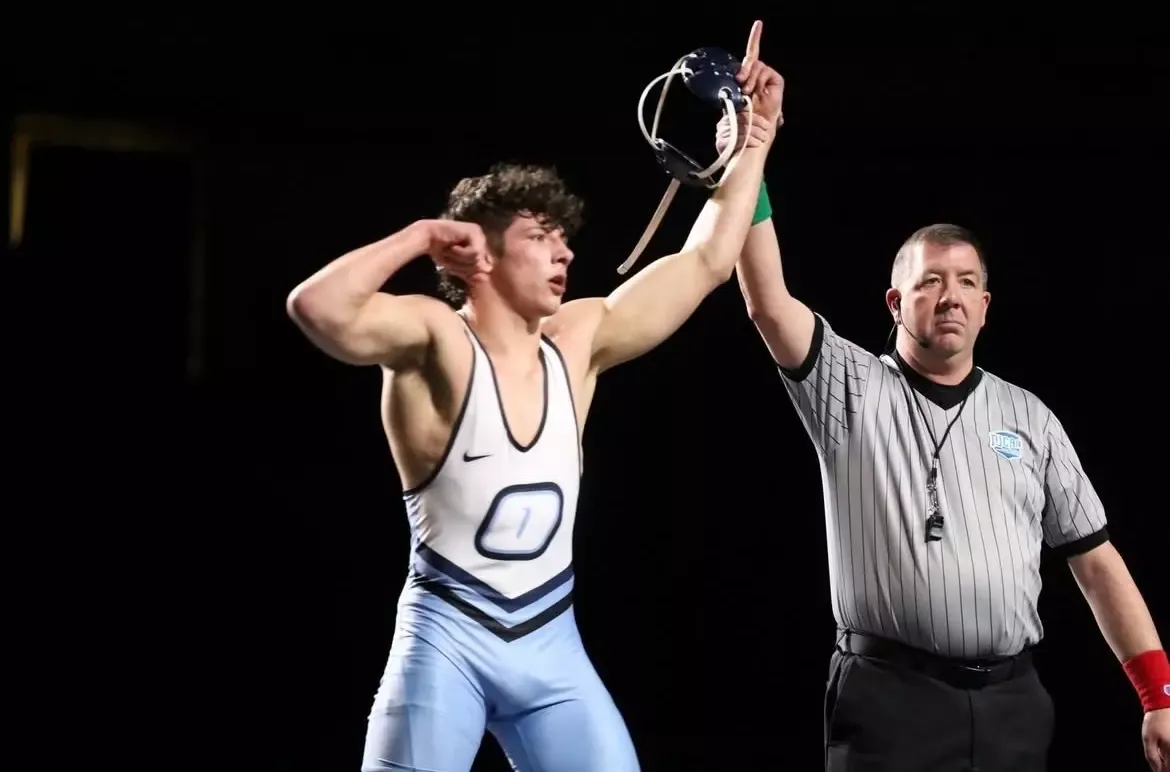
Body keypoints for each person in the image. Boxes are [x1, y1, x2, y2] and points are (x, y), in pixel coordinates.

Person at [286, 22, 784, 772]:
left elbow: (709, 258)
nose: (566, 252)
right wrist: (419, 236)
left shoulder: (578, 341)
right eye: (542, 236)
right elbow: (315, 308)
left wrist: (756, 140)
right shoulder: (435, 340)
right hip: (443, 643)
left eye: (564, 237)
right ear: (479, 251)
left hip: (551, 646)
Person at [725, 168, 1170, 768]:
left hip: (1013, 704)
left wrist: (1157, 694)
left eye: (966, 283)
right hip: (889, 699)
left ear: (985, 307)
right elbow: (768, 304)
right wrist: (751, 162)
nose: (950, 296)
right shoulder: (851, 387)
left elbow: (1095, 560)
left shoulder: (1031, 418)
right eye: (930, 281)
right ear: (896, 301)